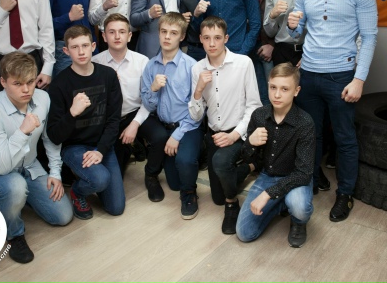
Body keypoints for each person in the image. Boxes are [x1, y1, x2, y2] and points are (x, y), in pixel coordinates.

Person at [287, 0, 378, 222]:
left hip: (342, 76)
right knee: (310, 135)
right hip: (309, 74)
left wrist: (359, 79)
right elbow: (299, 32)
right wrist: (292, 25)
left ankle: (345, 194)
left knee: (344, 138)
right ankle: (312, 180)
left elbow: (370, 37)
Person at [0, 52, 73, 264]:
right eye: (17, 83)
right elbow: (1, 166)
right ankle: (14, 234)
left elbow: (50, 139)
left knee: (62, 216)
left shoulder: (43, 98)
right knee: (14, 186)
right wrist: (23, 131)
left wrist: (55, 173)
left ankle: (14, 200)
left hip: (29, 166)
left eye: (30, 82)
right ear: (3, 82)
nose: (26, 90)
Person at [189, 16, 262, 234]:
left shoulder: (243, 63)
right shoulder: (197, 69)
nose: (212, 43)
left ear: (226, 39)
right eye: (207, 38)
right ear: (200, 39)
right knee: (216, 197)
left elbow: (254, 106)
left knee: (221, 164)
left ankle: (232, 205)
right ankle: (250, 166)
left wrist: (234, 135)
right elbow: (195, 116)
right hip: (214, 134)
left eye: (217, 38)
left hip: (238, 132)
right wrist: (198, 90)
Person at [46, 25, 124, 220]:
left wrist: (101, 151)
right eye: (74, 47)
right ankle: (78, 191)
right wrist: (72, 113)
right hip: (75, 147)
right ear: (66, 51)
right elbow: (54, 135)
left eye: (85, 45)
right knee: (100, 179)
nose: (81, 52)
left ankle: (91, 178)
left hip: (101, 145)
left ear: (93, 46)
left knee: (116, 208)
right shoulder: (59, 84)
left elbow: (114, 120)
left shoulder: (108, 76)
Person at [235, 63, 315, 248]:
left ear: (296, 91)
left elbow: (304, 173)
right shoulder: (259, 115)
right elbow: (248, 158)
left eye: (284, 89)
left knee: (299, 206)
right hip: (268, 176)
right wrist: (250, 142)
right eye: (273, 87)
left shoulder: (305, 123)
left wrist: (267, 195)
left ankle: (298, 221)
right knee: (244, 233)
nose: (277, 95)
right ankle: (280, 204)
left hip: (295, 178)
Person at [140, 13, 202, 220]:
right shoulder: (151, 66)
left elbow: (198, 109)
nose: (167, 37)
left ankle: (190, 193)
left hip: (188, 125)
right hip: (164, 125)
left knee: (185, 163)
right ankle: (181, 165)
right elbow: (148, 105)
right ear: (158, 33)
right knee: (174, 183)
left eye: (173, 33)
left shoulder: (191, 66)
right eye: (164, 32)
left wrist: (177, 135)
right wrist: (153, 88)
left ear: (182, 37)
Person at [92, 13, 154, 176]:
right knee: (113, 173)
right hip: (108, 119)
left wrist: (134, 124)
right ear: (104, 37)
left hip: (133, 113)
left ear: (129, 36)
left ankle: (151, 173)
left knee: (160, 136)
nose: (117, 36)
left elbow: (148, 100)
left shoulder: (142, 61)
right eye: (111, 32)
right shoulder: (95, 62)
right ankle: (129, 147)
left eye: (122, 32)